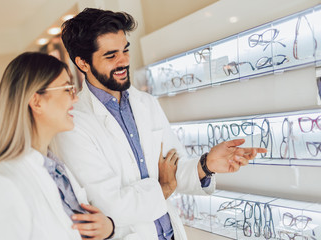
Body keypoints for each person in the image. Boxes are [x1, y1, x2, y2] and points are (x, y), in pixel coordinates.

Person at [55, 8, 267, 240]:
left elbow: (173, 169)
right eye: (111, 55)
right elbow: (111, 205)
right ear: (83, 63)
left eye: (125, 50)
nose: (124, 61)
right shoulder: (73, 123)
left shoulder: (145, 102)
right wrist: (164, 188)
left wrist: (206, 164)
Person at [0, 52, 115, 240]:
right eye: (67, 89)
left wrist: (108, 228)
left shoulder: (56, 169)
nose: (75, 98)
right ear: (37, 102)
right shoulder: (0, 183)